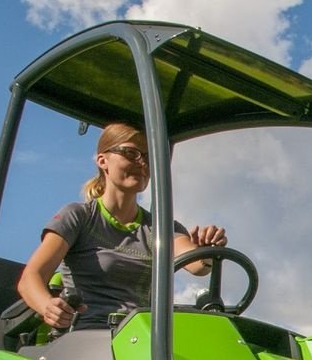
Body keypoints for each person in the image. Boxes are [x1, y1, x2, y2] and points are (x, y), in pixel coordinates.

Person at [18, 123, 226, 331]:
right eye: (131, 153)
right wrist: (48, 307)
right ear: (102, 160)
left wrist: (206, 250)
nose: (142, 162)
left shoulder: (161, 228)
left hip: (140, 339)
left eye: (147, 156)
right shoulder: (79, 216)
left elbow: (197, 264)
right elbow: (30, 279)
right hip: (86, 334)